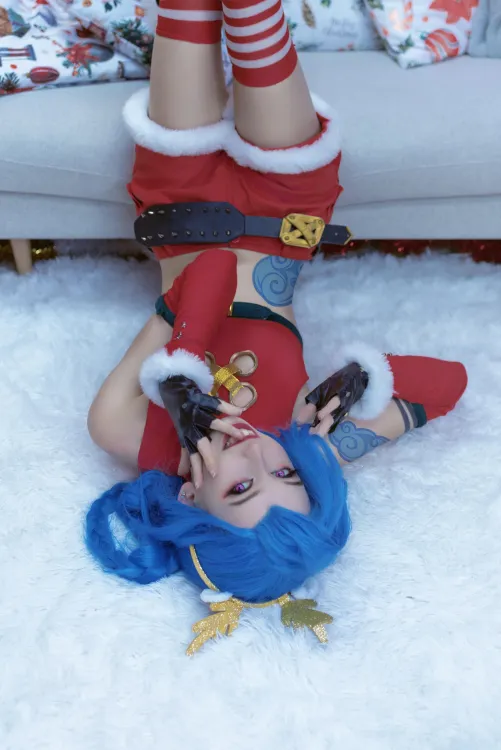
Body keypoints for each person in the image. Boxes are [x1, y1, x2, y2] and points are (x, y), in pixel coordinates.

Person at [86, 0, 468, 654]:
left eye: (241, 487)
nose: (264, 458)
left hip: (180, 204)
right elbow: (450, 384)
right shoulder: (309, 440)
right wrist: (358, 384)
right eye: (287, 478)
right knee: (251, 10)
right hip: (284, 212)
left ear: (190, 499)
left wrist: (180, 383)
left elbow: (207, 271)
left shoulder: (124, 431)